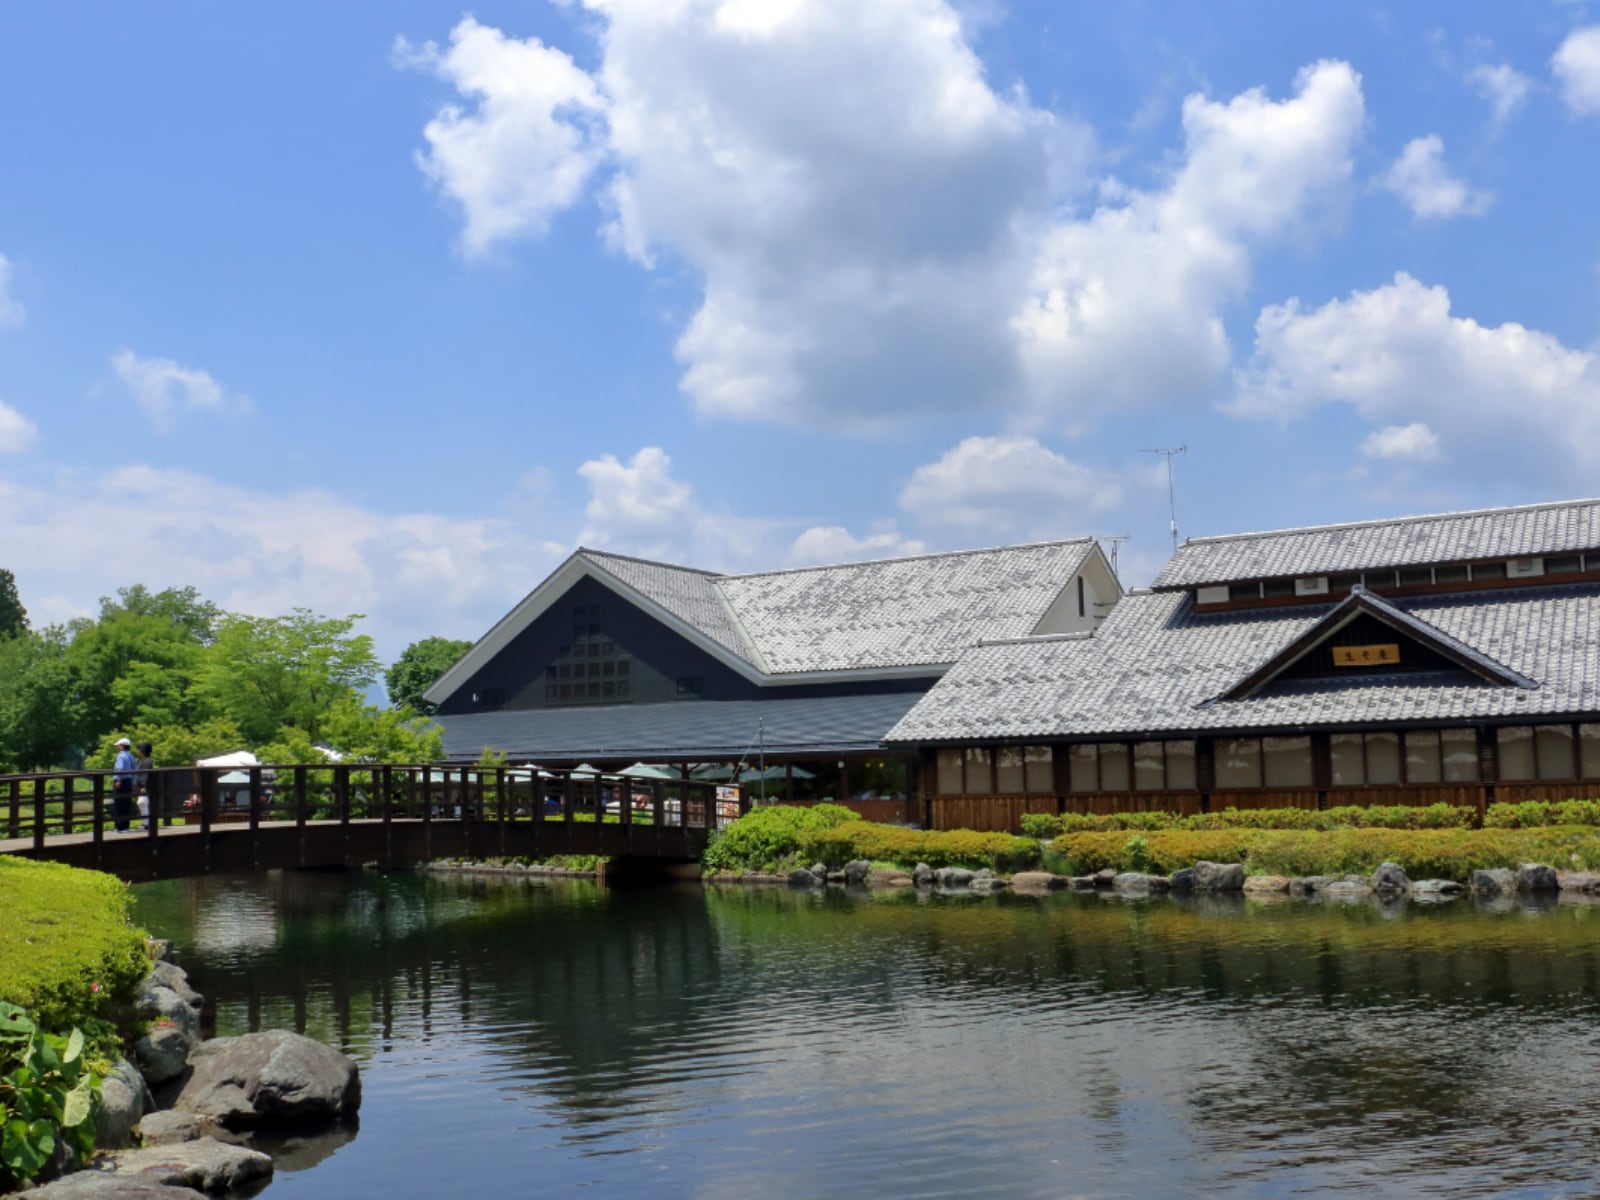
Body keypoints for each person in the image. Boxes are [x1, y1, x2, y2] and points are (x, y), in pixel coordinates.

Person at [112, 737, 136, 833]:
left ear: (122, 746)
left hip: (121, 781)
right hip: (129, 781)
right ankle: (126, 826)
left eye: (118, 745)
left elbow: (120, 768)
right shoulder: (131, 756)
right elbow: (134, 769)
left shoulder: (121, 756)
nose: (117, 747)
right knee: (126, 804)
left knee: (118, 804)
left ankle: (119, 827)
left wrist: (118, 779)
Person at [134, 741, 155, 830]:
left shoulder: (146, 762)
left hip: (145, 787)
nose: (137, 751)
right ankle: (145, 823)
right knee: (143, 803)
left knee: (142, 803)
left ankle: (146, 824)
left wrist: (143, 786)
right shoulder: (144, 761)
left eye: (139, 750)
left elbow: (145, 775)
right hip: (143, 786)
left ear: (142, 751)